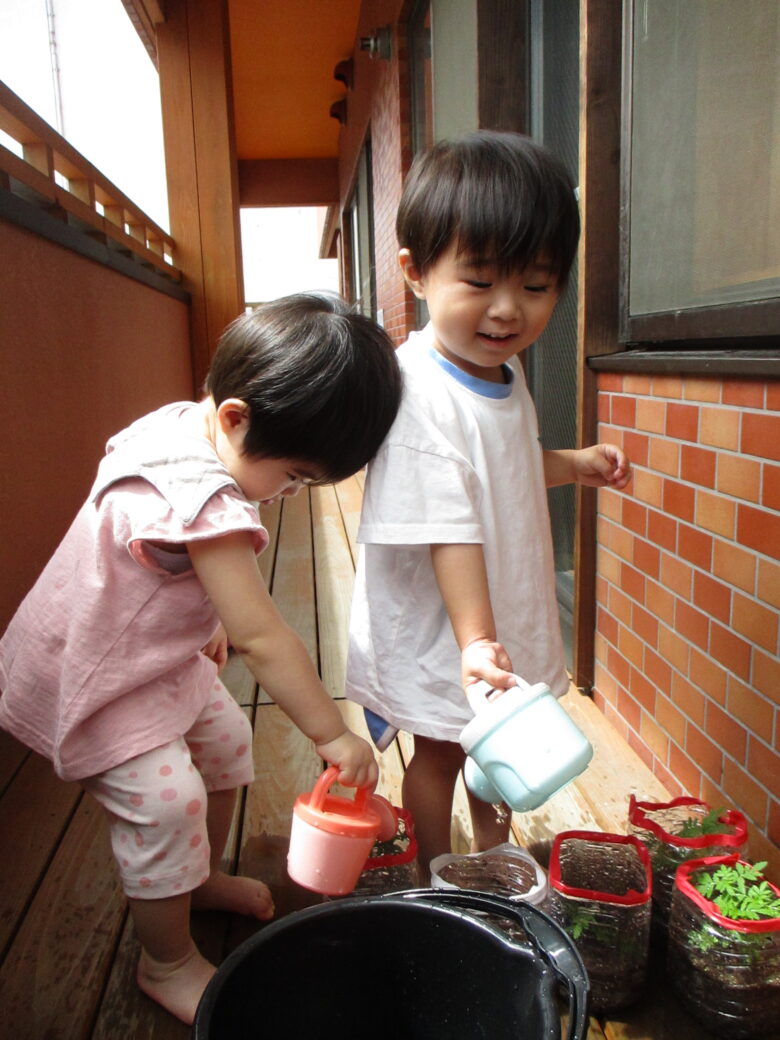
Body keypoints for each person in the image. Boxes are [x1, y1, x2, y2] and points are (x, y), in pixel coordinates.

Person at [0, 292, 402, 1025]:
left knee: (225, 744)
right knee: (165, 803)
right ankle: (167, 960)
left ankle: (201, 875)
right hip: (101, 673)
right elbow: (265, 637)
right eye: (294, 476)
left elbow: (154, 558)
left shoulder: (183, 423)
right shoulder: (205, 500)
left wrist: (194, 613)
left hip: (152, 650)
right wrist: (333, 734)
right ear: (234, 418)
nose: (285, 496)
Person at [345, 131, 632, 878]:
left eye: (536, 288)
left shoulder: (499, 370)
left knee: (502, 733)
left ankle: (494, 851)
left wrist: (573, 464)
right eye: (479, 282)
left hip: (494, 609)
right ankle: (439, 871)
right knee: (443, 745)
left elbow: (500, 472)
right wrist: (476, 642)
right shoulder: (417, 391)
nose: (508, 312)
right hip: (448, 621)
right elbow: (444, 522)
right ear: (414, 272)